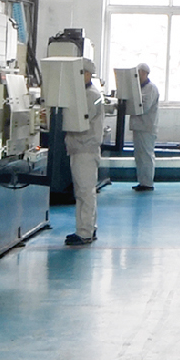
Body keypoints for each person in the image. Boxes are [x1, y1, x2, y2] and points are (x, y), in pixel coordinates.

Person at [64, 61, 107, 246]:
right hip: (79, 148)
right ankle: (87, 228)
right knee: (83, 191)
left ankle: (85, 233)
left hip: (85, 148)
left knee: (85, 192)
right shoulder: (84, 94)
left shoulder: (91, 96)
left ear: (88, 74)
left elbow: (79, 122)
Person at [131, 63, 160, 192]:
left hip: (146, 127)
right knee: (139, 156)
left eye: (139, 73)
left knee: (146, 155)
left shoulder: (150, 88)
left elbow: (144, 106)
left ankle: (147, 183)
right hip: (139, 126)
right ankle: (142, 181)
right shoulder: (139, 88)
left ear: (144, 73)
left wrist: (130, 105)